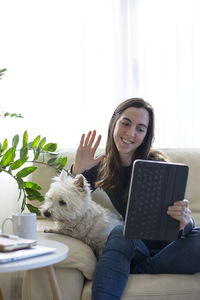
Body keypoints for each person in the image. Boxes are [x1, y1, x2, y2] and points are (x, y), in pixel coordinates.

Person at [71, 98, 200, 300]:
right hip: (134, 245)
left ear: (146, 134)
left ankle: (138, 269)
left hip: (171, 249)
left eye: (140, 129)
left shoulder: (157, 164)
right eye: (126, 123)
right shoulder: (101, 166)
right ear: (114, 122)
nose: (131, 133)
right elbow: (66, 200)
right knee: (122, 231)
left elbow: (185, 224)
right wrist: (78, 170)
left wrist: (186, 221)